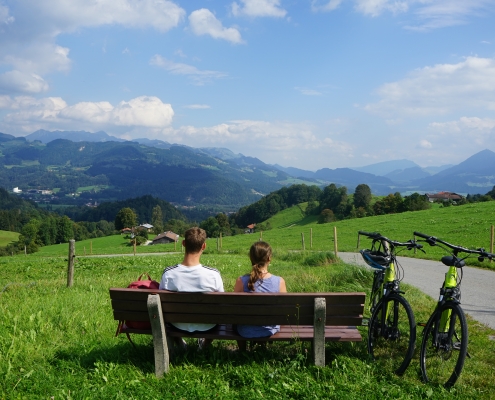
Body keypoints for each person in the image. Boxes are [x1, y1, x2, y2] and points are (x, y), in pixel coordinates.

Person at [159, 227, 224, 346]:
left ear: (183, 244)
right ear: (203, 246)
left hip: (177, 325)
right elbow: (221, 305)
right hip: (208, 326)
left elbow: (161, 304)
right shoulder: (214, 275)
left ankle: (179, 343)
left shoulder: (168, 273)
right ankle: (204, 345)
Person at [234, 241, 287, 339]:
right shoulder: (279, 281)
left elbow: (234, 308)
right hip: (270, 330)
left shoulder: (241, 281)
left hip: (245, 330)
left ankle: (242, 350)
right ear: (269, 258)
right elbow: (283, 310)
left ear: (251, 258)